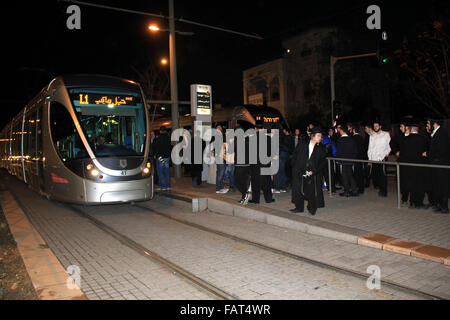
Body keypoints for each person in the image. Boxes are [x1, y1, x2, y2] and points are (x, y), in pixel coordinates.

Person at [290, 127, 327, 215]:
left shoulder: (321, 148)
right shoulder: (302, 144)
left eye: (321, 136)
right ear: (312, 136)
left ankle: (312, 208)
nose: (320, 138)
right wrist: (295, 166)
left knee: (311, 191)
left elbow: (322, 162)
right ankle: (299, 207)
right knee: (297, 189)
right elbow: (294, 155)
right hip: (299, 170)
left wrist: (314, 171)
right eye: (318, 136)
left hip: (311, 172)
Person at [398, 122, 428, 209]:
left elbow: (402, 153)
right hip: (418, 166)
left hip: (407, 166)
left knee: (409, 184)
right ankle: (417, 203)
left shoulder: (406, 139)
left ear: (411, 129)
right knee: (418, 185)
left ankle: (410, 202)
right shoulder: (423, 139)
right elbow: (425, 152)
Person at [427, 118, 449, 214]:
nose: (427, 125)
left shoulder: (442, 133)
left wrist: (428, 154)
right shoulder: (435, 133)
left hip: (441, 164)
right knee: (437, 185)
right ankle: (438, 204)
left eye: (428, 123)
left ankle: (444, 207)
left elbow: (441, 150)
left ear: (434, 123)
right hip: (436, 164)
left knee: (442, 186)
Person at [249, 124, 274, 204]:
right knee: (266, 181)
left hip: (255, 164)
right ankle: (268, 199)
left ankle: (256, 199)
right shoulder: (268, 138)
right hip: (265, 163)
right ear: (263, 128)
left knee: (255, 182)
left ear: (255, 129)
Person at [367, 120, 391, 197]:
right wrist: (369, 158)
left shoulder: (386, 134)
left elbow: (389, 146)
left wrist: (386, 153)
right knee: (376, 174)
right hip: (374, 158)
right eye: (374, 126)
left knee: (383, 175)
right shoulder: (372, 135)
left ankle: (384, 191)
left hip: (382, 158)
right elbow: (370, 147)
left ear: (380, 126)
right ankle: (379, 187)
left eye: (377, 126)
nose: (375, 127)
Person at [336, 126, 358, 197]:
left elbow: (339, 151)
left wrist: (338, 160)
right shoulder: (351, 139)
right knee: (350, 175)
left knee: (344, 176)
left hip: (343, 160)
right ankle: (354, 190)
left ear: (342, 131)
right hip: (351, 160)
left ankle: (347, 191)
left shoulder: (340, 140)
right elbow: (355, 150)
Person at [234, 126, 252, 205]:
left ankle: (245, 194)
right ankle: (244, 196)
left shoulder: (239, 141)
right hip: (245, 164)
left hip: (241, 165)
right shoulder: (246, 140)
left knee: (238, 182)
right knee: (243, 181)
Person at [274, 128, 293, 193]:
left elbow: (278, 146)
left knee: (278, 172)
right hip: (286, 155)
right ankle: (283, 187)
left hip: (280, 155)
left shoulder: (277, 137)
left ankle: (277, 188)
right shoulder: (285, 137)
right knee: (283, 172)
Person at [152, 126, 171, 191]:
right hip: (167, 157)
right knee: (167, 172)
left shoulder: (158, 139)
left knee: (160, 172)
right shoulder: (168, 138)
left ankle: (163, 187)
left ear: (160, 131)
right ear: (165, 131)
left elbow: (155, 148)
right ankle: (168, 186)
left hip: (160, 157)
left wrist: (156, 155)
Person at [348, 123, 365, 194]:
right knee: (360, 173)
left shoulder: (352, 138)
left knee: (355, 174)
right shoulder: (361, 138)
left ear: (354, 130)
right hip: (360, 158)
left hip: (355, 158)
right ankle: (361, 188)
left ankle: (356, 188)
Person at [321, 129, 337, 193]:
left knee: (326, 175)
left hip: (324, 159)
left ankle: (329, 188)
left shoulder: (321, 140)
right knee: (331, 174)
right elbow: (334, 150)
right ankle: (332, 188)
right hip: (330, 158)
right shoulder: (330, 140)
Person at [214, 124, 228, 194]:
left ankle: (221, 187)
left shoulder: (219, 136)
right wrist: (221, 156)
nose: (220, 128)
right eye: (218, 127)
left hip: (220, 156)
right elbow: (219, 148)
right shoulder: (217, 136)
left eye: (220, 127)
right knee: (220, 173)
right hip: (220, 157)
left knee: (220, 172)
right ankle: (218, 189)